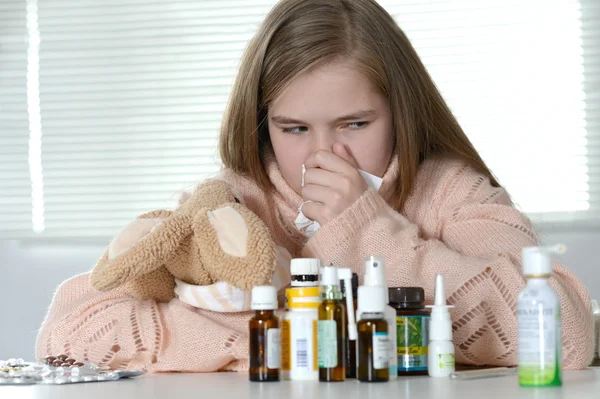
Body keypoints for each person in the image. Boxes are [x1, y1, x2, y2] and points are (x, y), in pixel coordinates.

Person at [36, 0, 594, 372]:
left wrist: (374, 230)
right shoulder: (232, 204)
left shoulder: (452, 193)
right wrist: (252, 342)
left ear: (400, 112)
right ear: (262, 124)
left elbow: (565, 339)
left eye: (354, 124)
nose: (326, 155)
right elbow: (66, 337)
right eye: (295, 129)